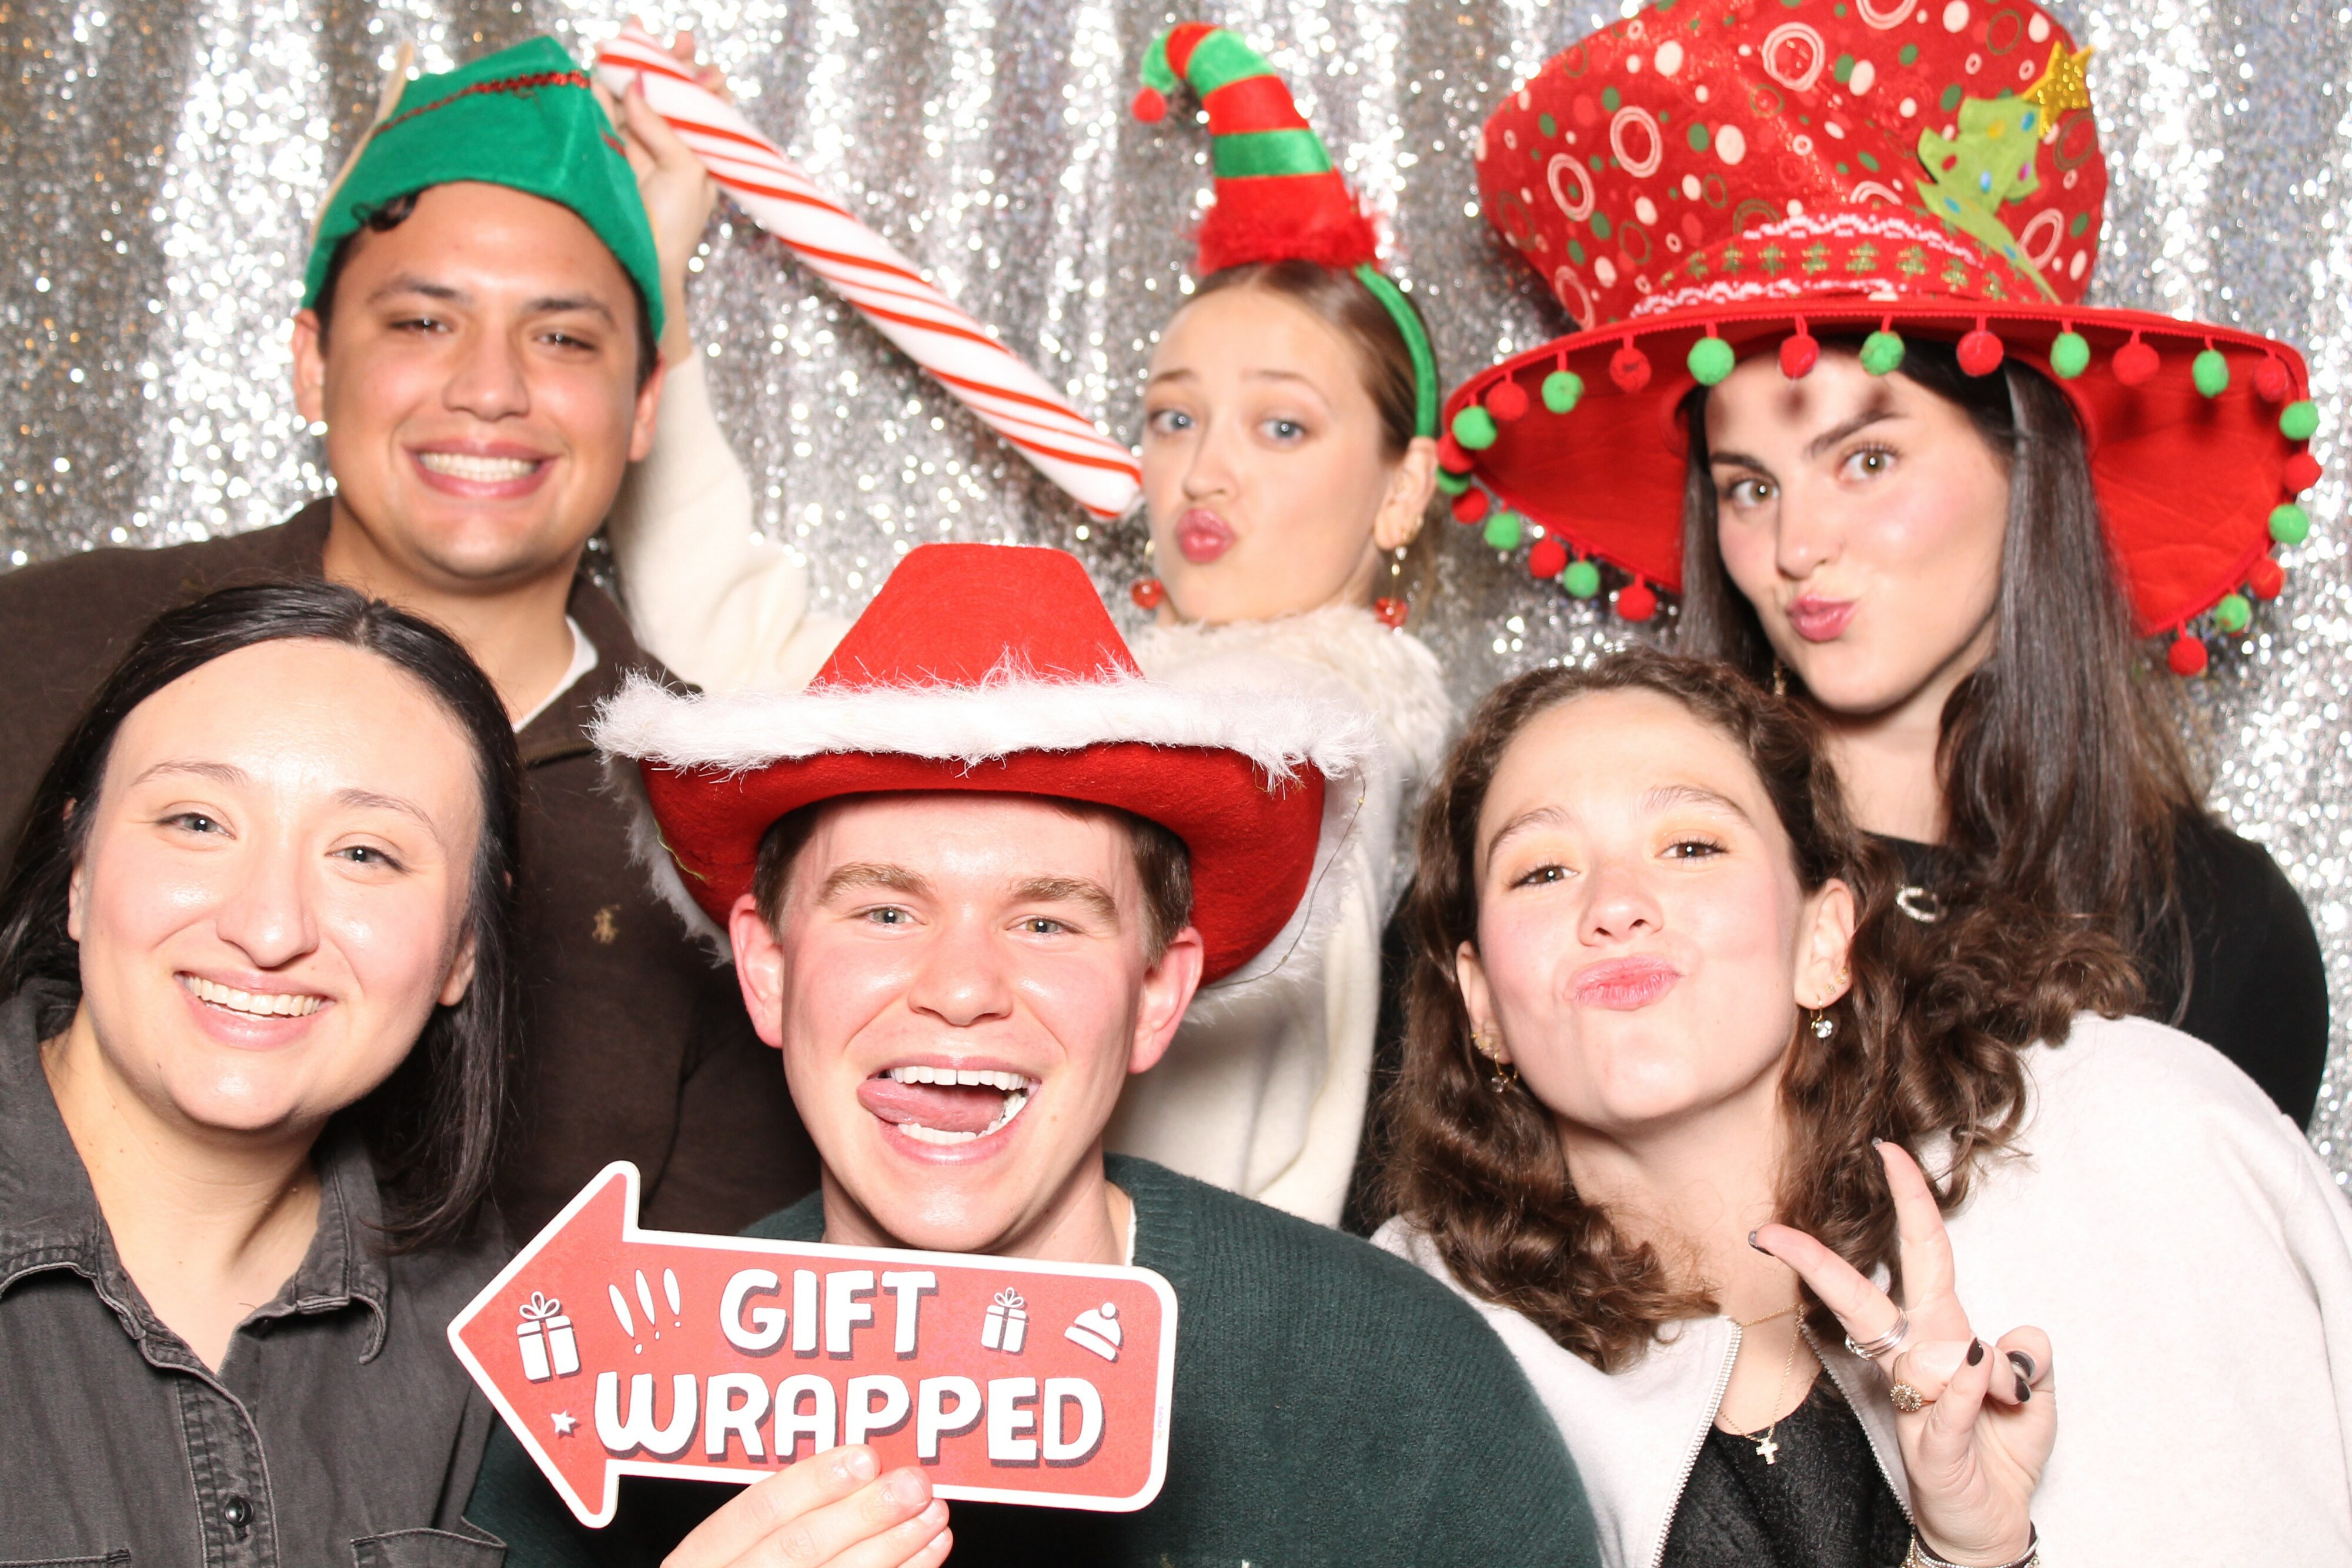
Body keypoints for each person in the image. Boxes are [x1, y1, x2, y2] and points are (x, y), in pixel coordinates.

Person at [465, 541, 1598, 1567]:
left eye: (1047, 922)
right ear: (767, 970)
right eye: (886, 912)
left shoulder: (1398, 1390)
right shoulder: (594, 1392)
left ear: (1156, 993)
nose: (963, 990)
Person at [594, 22, 1454, 1224]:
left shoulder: (1296, 765)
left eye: (1281, 426)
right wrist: (662, 294)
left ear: (1405, 488)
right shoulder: (1142, 707)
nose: (1204, 472)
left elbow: (1180, 1207)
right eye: (1172, 418)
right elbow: (741, 641)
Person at [1430, 1, 2328, 1124]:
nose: (1796, 547)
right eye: (1749, 486)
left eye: (1866, 461)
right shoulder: (1574, 884)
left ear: (2026, 469)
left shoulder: (2218, 931)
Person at [0, 35, 817, 1238]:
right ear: (312, 362)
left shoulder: (715, 807)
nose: (489, 389)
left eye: (563, 338)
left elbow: (723, 1280)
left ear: (645, 403)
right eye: (425, 321)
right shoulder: (46, 651)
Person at [1374, 647, 2352, 1567]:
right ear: (1483, 1004)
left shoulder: (2143, 1139)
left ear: (1824, 941)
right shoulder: (1400, 1348)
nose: (1615, 906)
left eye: (1692, 845)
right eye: (1544, 871)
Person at [0, 583, 519, 1564]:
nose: (270, 929)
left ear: (463, 947)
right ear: (79, 869)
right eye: (198, 823)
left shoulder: (503, 1328)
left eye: (364, 853)